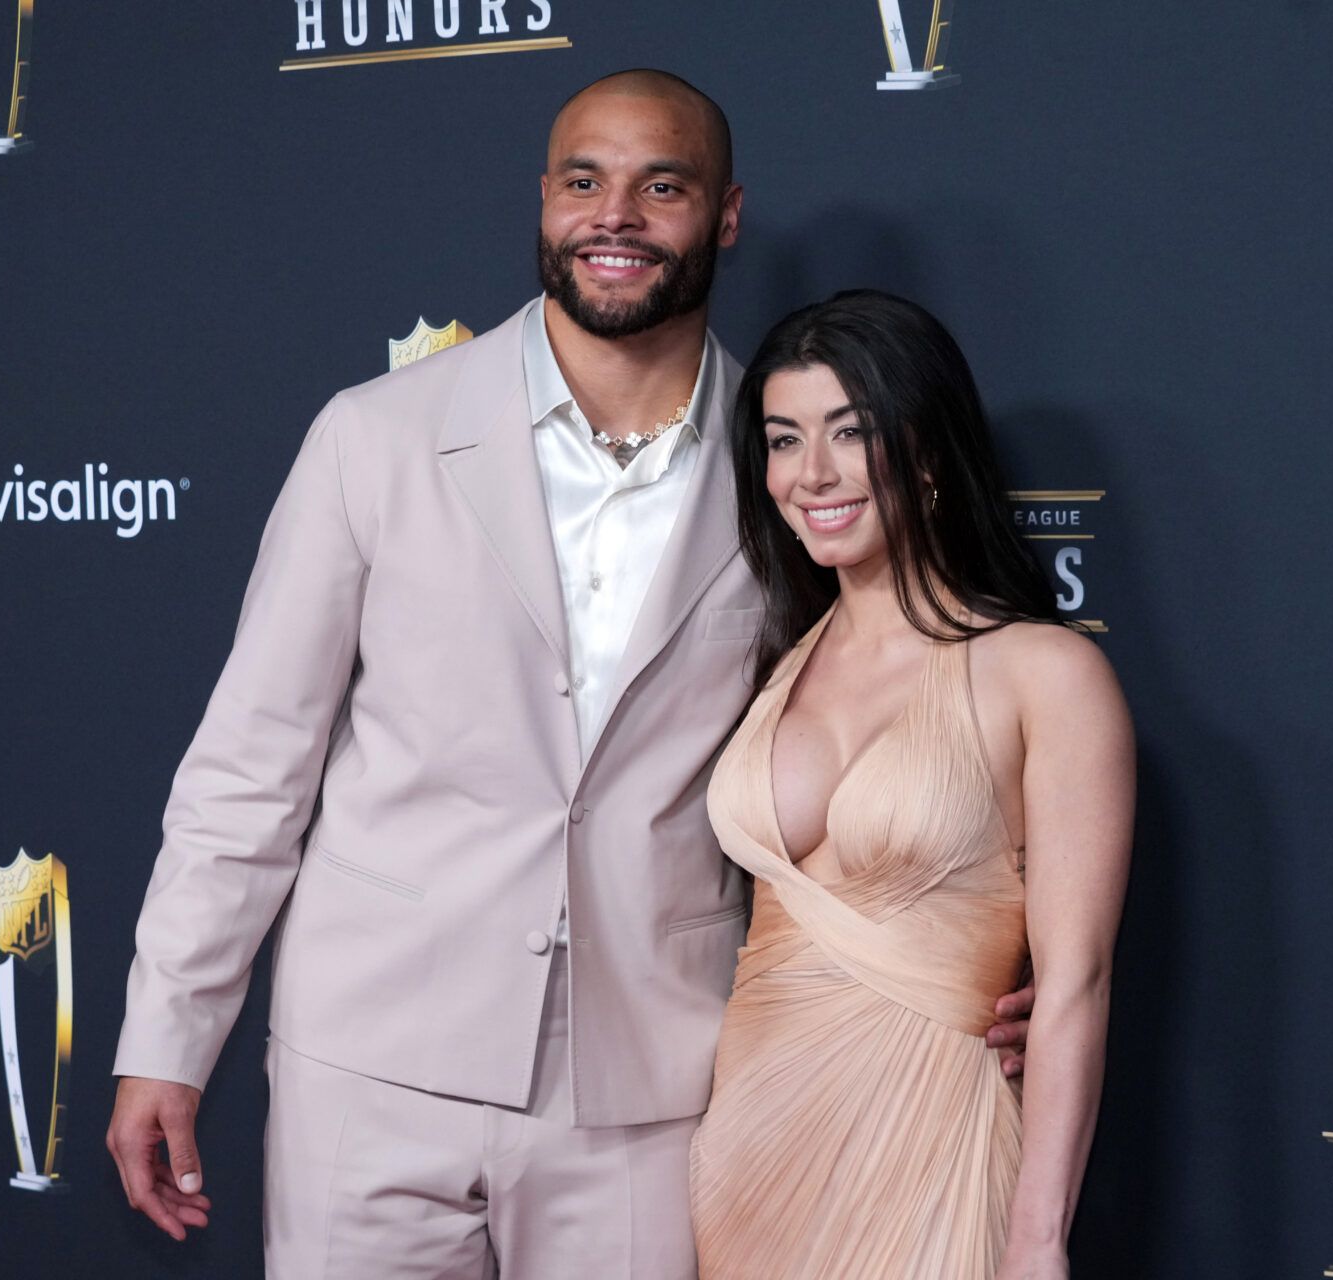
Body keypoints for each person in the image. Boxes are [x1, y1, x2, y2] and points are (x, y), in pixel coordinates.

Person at [105, 74, 1035, 1277]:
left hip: (654, 1079)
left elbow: (905, 710)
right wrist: (166, 1034)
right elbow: (250, 766)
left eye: (663, 186)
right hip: (372, 1064)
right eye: (585, 181)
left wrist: (977, 961)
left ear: (727, 215)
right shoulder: (375, 436)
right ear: (543, 198)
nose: (616, 216)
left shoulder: (794, 469)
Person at [689, 291, 1134, 1279]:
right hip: (748, 1155)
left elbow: (1077, 983)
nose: (812, 472)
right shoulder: (769, 665)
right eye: (784, 439)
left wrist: (1037, 1241)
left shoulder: (1045, 673)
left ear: (928, 452)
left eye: (851, 432)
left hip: (935, 1145)